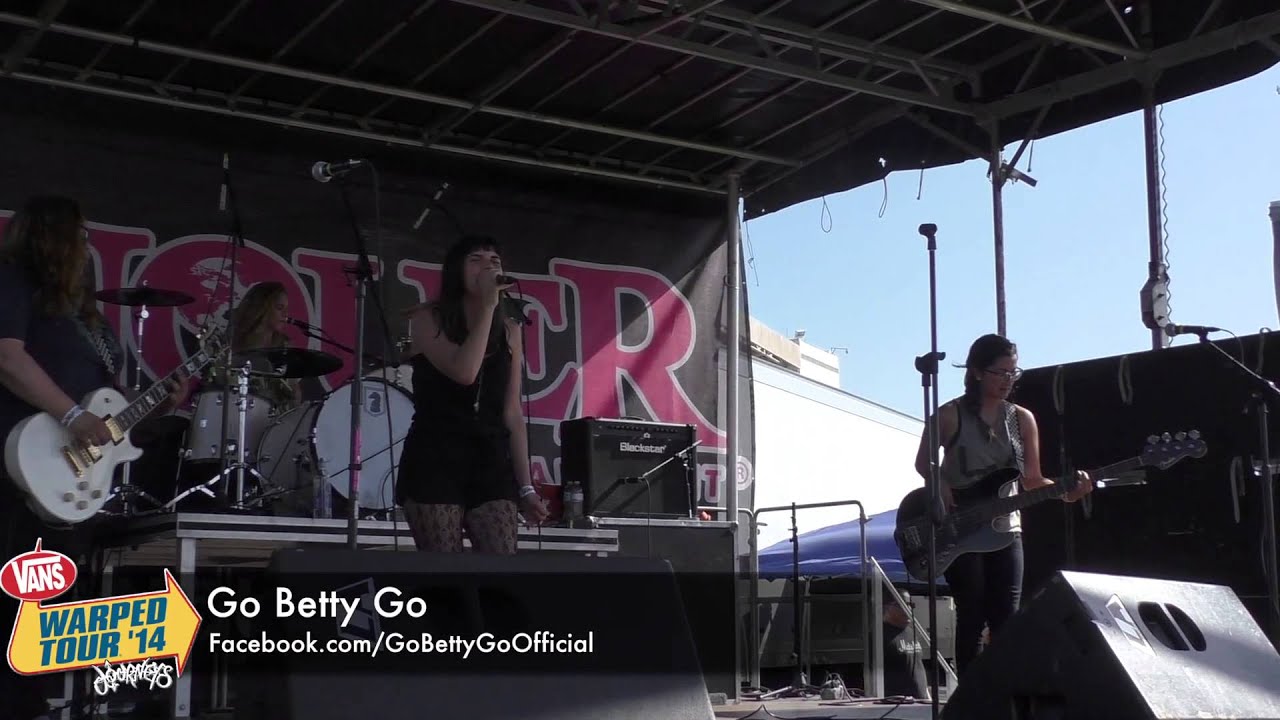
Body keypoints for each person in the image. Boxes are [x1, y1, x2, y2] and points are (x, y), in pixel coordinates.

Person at [0, 196, 183, 720]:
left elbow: (108, 419)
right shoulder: (15, 279)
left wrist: (151, 405)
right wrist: (73, 415)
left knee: (44, 620)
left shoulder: (84, 315)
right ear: (51, 234)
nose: (87, 246)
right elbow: (7, 356)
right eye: (80, 234)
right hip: (21, 465)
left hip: (67, 481)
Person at [913, 333, 1092, 675]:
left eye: (1014, 372)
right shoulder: (950, 415)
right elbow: (924, 462)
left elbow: (1033, 480)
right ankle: (969, 699)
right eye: (1001, 372)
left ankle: (1005, 694)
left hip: (1007, 528)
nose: (1009, 380)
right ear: (978, 372)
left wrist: (1069, 491)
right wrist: (940, 482)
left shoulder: (1021, 419)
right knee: (971, 612)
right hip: (961, 527)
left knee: (1006, 617)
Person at [395, 235, 548, 554]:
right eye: (475, 260)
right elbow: (464, 373)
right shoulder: (427, 319)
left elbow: (512, 413)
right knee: (446, 574)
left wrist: (527, 488)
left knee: (501, 567)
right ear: (456, 271)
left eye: (495, 261)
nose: (488, 266)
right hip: (436, 455)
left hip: (489, 458)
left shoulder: (509, 329)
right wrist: (488, 307)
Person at [881, 588, 928, 699]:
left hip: (920, 701)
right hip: (897, 704)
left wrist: (927, 695)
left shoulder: (912, 632)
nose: (908, 609)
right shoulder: (880, 635)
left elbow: (918, 667)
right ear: (887, 607)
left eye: (910, 604)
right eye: (902, 605)